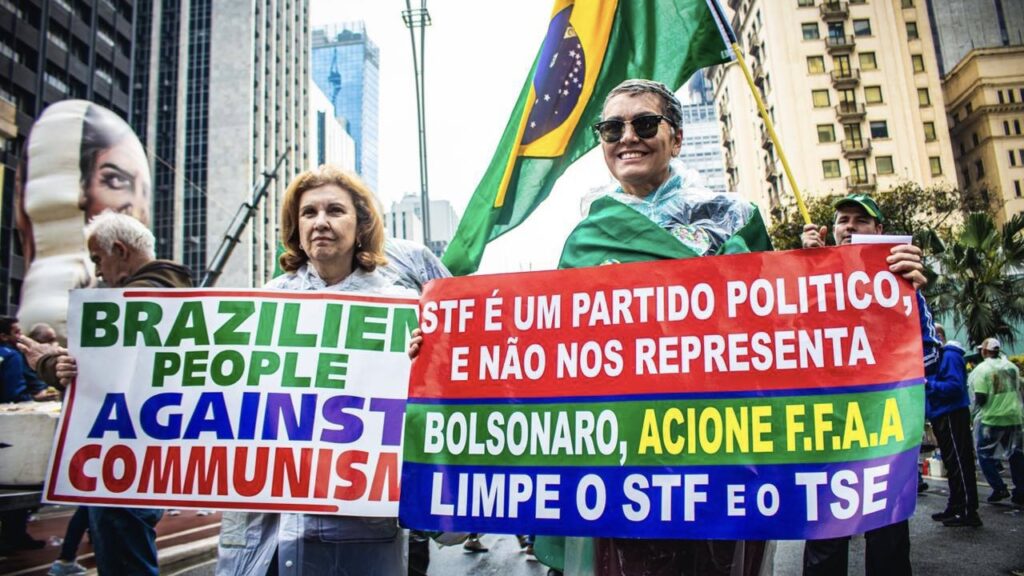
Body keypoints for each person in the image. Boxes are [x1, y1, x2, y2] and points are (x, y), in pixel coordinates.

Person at [556, 78, 773, 576]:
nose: (628, 137)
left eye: (645, 123)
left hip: (722, 453)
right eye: (612, 128)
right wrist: (444, 350)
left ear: (676, 138)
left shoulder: (733, 219)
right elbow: (549, 346)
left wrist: (878, 285)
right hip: (624, 464)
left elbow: (784, 324)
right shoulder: (586, 238)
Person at [216, 166, 450, 576]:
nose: (320, 222)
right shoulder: (265, 302)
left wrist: (421, 365)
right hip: (265, 535)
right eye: (309, 212)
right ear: (296, 227)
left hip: (357, 530)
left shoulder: (399, 305)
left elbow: (434, 404)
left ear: (362, 225)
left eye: (335, 211)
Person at [800, 193, 941, 576]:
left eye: (860, 220)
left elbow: (929, 357)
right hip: (826, 432)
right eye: (842, 220)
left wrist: (909, 294)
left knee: (888, 538)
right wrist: (801, 267)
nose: (849, 227)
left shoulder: (901, 281)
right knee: (825, 540)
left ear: (879, 230)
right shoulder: (809, 280)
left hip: (884, 432)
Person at [57, 211, 192, 575]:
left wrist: (49, 364)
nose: (98, 271)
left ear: (119, 250)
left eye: (98, 259)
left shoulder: (131, 303)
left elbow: (102, 378)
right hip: (141, 458)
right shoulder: (175, 294)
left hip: (122, 462)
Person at [926, 324, 981, 527]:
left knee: (959, 462)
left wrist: (928, 384)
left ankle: (968, 510)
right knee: (952, 463)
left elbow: (955, 387)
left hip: (952, 413)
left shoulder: (949, 355)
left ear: (938, 336)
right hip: (941, 413)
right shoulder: (937, 357)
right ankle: (956, 505)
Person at [969, 337, 1024, 507]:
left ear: (985, 351)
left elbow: (980, 397)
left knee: (984, 454)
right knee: (1016, 455)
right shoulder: (1012, 367)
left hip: (991, 419)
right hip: (1014, 417)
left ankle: (999, 488)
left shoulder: (981, 370)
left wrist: (973, 414)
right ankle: (1021, 491)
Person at [0, 316, 57, 403]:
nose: (21, 336)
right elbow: (15, 395)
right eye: (17, 332)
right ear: (4, 336)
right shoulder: (12, 356)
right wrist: (34, 398)